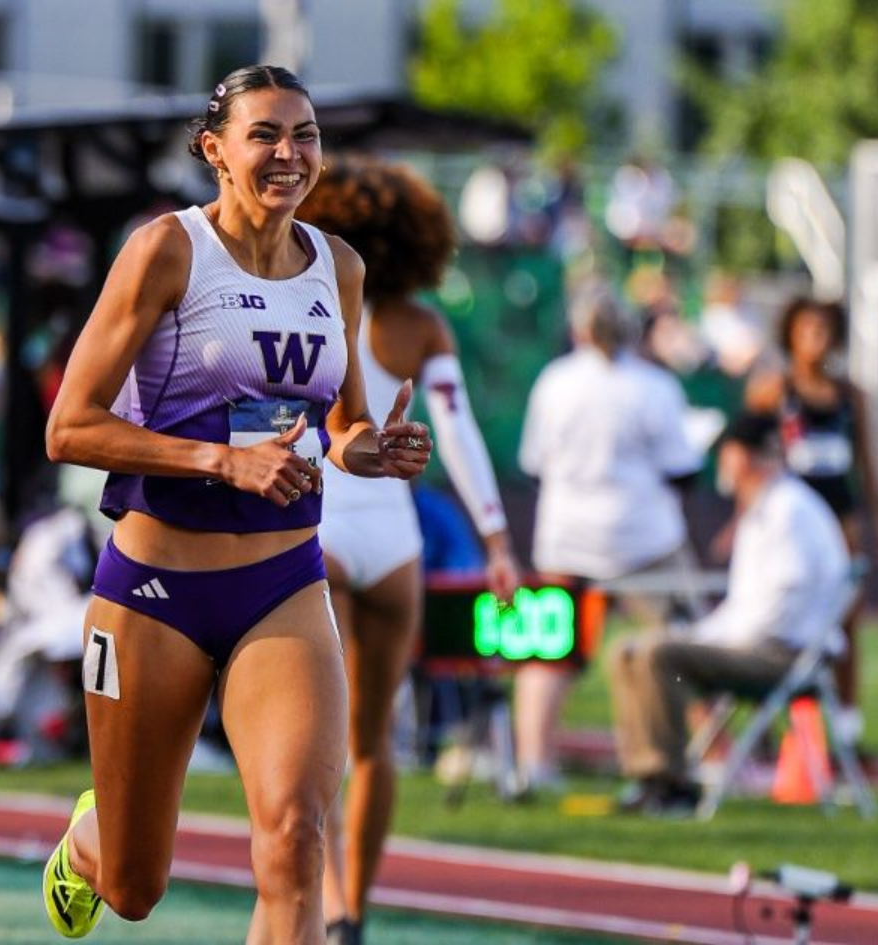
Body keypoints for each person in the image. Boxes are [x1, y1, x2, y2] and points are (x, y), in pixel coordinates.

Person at [39, 65, 433, 943]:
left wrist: (372, 449)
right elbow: (69, 427)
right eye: (266, 135)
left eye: (306, 135)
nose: (290, 153)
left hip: (282, 585)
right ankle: (90, 841)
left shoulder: (339, 266)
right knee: (134, 886)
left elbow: (341, 423)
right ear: (215, 150)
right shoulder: (167, 250)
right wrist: (221, 461)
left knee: (295, 840)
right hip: (155, 593)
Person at [294, 156, 519, 944]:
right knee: (373, 743)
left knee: (310, 735)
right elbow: (458, 432)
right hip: (394, 540)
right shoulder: (424, 326)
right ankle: (353, 909)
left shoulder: (308, 300)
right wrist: (496, 538)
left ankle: (318, 899)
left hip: (318, 523)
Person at [606, 413, 850, 814]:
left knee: (657, 654)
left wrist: (712, 640)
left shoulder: (788, 511)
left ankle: (670, 783)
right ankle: (649, 778)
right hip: (761, 644)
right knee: (626, 651)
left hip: (782, 655)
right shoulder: (764, 509)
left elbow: (781, 607)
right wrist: (703, 635)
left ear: (741, 457)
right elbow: (746, 605)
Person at [517, 281, 703, 791]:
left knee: (547, 652)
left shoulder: (554, 381)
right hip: (644, 540)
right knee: (687, 647)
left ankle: (534, 762)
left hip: (566, 539)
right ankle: (714, 756)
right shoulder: (654, 386)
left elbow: (533, 465)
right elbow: (684, 470)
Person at [747, 297, 878, 741]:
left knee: (845, 617)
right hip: (790, 522)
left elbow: (866, 460)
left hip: (838, 516)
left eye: (825, 329)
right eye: (807, 328)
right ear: (791, 334)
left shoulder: (849, 395)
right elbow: (745, 453)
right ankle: (772, 720)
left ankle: (847, 726)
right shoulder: (773, 390)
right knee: (780, 614)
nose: (816, 338)